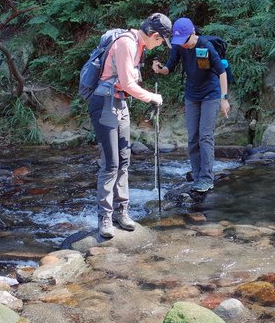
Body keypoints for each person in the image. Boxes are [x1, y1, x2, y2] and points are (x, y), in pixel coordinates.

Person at [89, 13, 171, 238]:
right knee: (111, 163)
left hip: (120, 102)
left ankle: (121, 213)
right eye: (162, 40)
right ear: (154, 35)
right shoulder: (126, 43)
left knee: (124, 160)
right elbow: (126, 82)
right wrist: (153, 97)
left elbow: (128, 83)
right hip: (105, 103)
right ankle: (105, 218)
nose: (161, 44)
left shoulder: (139, 45)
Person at [151, 17, 229, 193]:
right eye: (179, 41)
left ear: (192, 33)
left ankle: (207, 179)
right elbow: (169, 68)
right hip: (191, 95)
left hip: (211, 95)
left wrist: (224, 98)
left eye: (185, 41)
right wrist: (159, 68)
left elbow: (222, 72)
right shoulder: (179, 45)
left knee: (205, 136)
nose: (183, 45)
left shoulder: (205, 46)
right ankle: (197, 175)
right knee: (193, 137)